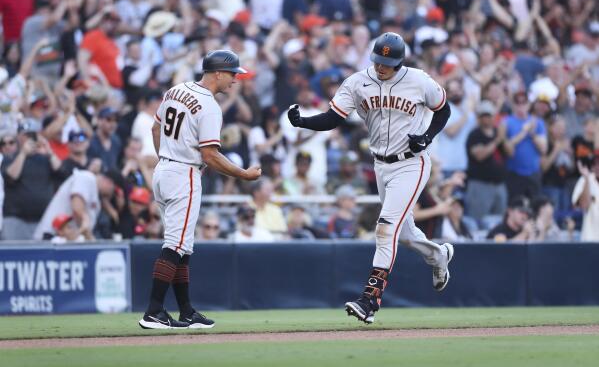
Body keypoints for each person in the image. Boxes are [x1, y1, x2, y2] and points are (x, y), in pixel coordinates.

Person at [288, 32, 454, 324]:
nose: (381, 67)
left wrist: (426, 138)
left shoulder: (419, 80)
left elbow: (443, 110)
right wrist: (304, 122)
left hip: (411, 164)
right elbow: (333, 118)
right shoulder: (357, 82)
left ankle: (370, 299)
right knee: (402, 233)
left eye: (388, 63)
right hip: (380, 165)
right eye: (378, 60)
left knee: (385, 230)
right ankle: (437, 255)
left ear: (400, 62)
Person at [139, 50, 261, 330]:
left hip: (164, 170)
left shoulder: (175, 90)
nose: (235, 80)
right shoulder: (209, 106)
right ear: (218, 72)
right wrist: (243, 175)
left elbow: (156, 130)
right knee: (176, 245)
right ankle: (154, 310)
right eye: (232, 74)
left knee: (183, 245)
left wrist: (166, 158)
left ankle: (186, 311)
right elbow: (210, 156)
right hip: (184, 173)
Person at [33, 169, 118, 241]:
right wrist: (85, 219)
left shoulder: (97, 201)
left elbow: (86, 231)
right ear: (109, 183)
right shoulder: (87, 177)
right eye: (114, 191)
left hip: (69, 243)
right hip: (50, 237)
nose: (112, 195)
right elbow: (77, 207)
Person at [464, 101, 508, 222]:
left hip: (499, 185)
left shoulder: (498, 133)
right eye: (484, 116)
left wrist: (503, 138)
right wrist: (498, 139)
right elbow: (480, 155)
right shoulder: (474, 135)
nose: (487, 119)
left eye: (489, 115)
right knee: (477, 220)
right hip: (480, 185)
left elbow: (510, 152)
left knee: (499, 221)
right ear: (479, 118)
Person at [572, 158, 599, 242]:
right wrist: (586, 179)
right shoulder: (585, 179)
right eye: (597, 163)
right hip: (590, 240)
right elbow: (583, 206)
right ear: (593, 167)